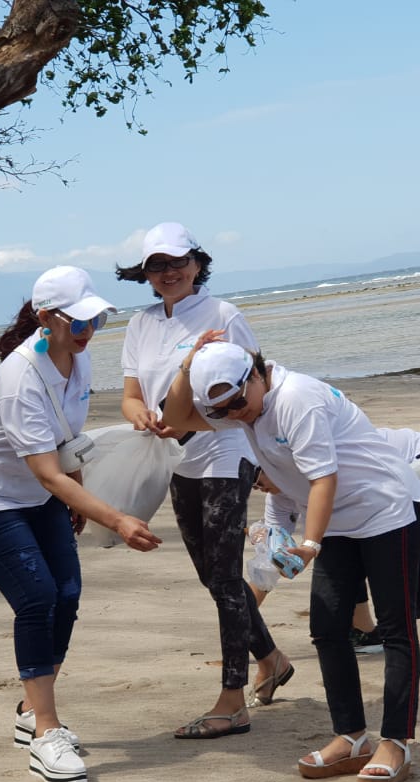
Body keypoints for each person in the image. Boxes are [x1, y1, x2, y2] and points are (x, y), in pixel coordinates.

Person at [165, 336, 420, 782]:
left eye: (238, 403)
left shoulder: (296, 398)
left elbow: (324, 477)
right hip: (336, 523)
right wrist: (189, 364)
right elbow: (174, 419)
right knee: (327, 628)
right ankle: (351, 735)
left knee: (395, 628)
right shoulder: (243, 406)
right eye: (221, 411)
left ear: (257, 374)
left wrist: (309, 543)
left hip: (385, 511)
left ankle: (396, 741)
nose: (234, 414)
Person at [0, 266, 162, 782]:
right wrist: (116, 518)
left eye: (98, 320)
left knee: (67, 594)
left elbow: (67, 444)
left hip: (41, 495)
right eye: (80, 322)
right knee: (37, 597)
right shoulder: (20, 379)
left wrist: (81, 496)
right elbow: (44, 469)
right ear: (46, 319)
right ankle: (46, 733)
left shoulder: (76, 359)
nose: (89, 332)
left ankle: (31, 709)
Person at [116, 223, 292, 737]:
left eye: (177, 262)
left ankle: (231, 698)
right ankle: (273, 658)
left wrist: (268, 461)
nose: (168, 273)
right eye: (157, 265)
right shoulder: (141, 324)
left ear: (197, 263)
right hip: (175, 458)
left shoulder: (223, 316)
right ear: (145, 274)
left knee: (223, 573)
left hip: (225, 452)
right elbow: (129, 394)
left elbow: (257, 386)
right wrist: (141, 415)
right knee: (213, 578)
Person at [252, 427, 420, 677]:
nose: (256, 487)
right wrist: (242, 624)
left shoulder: (321, 461)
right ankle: (366, 631)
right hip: (379, 478)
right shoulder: (278, 497)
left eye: (257, 477)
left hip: (419, 460)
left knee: (415, 543)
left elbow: (387, 472)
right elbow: (270, 563)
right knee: (339, 540)